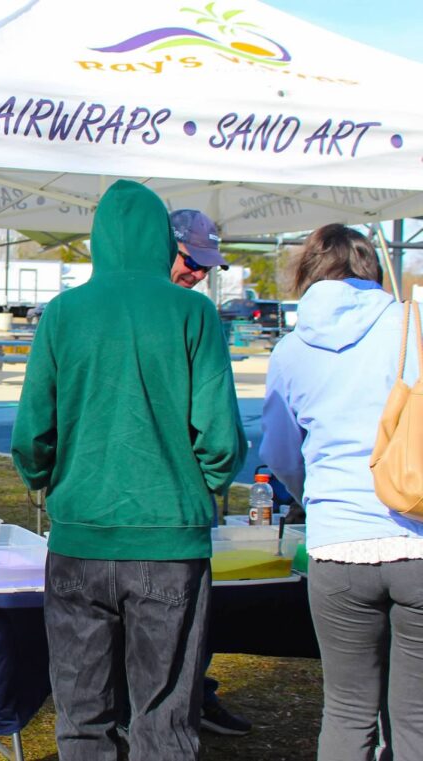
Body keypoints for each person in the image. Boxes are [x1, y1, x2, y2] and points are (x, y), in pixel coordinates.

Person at [11, 180, 246, 761]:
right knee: (163, 718)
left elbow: (31, 435)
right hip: (169, 543)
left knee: (82, 715)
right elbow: (220, 437)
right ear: (158, 241)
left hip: (78, 540)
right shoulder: (194, 311)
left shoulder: (63, 314)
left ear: (99, 242)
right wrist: (199, 489)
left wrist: (46, 482)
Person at [260, 224, 423, 761]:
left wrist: (317, 495)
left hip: (335, 543)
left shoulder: (289, 350)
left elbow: (282, 454)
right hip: (415, 530)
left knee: (347, 707)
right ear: (370, 267)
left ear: (307, 271)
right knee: (416, 714)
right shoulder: (412, 325)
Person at [169, 208, 252, 737]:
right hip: (155, 519)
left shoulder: (197, 315)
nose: (198, 273)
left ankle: (195, 695)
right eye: (189, 260)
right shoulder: (193, 317)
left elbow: (219, 434)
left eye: (205, 266)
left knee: (180, 640)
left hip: (170, 512)